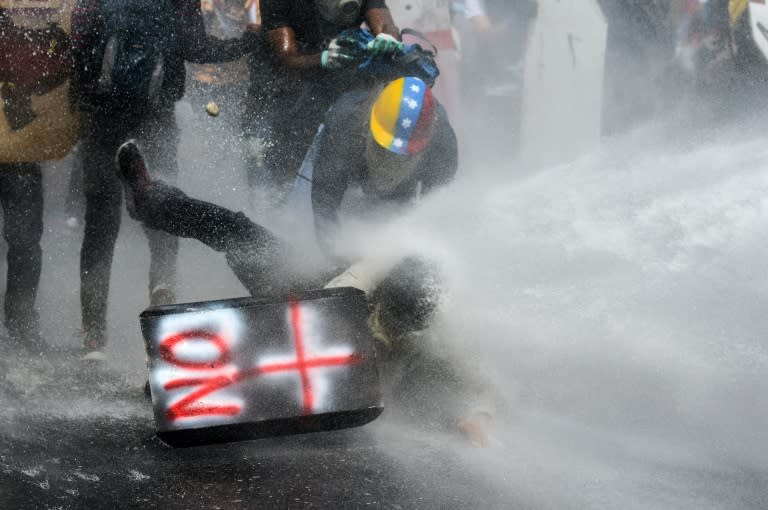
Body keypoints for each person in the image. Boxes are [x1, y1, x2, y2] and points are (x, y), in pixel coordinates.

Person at [114, 77, 497, 444]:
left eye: (393, 324)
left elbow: (486, 387)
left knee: (404, 387)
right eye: (381, 315)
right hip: (322, 293)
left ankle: (189, 385)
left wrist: (479, 418)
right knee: (237, 231)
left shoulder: (445, 329)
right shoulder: (377, 264)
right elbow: (318, 303)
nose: (382, 327)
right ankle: (151, 199)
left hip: (353, 379)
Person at [70, 0, 262, 360]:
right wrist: (249, 41)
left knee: (99, 225)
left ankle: (93, 336)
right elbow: (198, 49)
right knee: (161, 222)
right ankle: (161, 332)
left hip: (102, 119)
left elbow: (78, 47)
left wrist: (83, 102)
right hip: (155, 119)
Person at [257, 0, 401, 187]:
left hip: (344, 80)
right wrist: (323, 59)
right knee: (287, 164)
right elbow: (286, 59)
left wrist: (388, 38)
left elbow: (385, 25)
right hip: (294, 86)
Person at [0, 8, 71, 352]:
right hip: (19, 144)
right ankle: (20, 323)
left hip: (19, 147)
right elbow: (51, 70)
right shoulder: (26, 31)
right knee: (25, 242)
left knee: (25, 240)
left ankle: (21, 322)